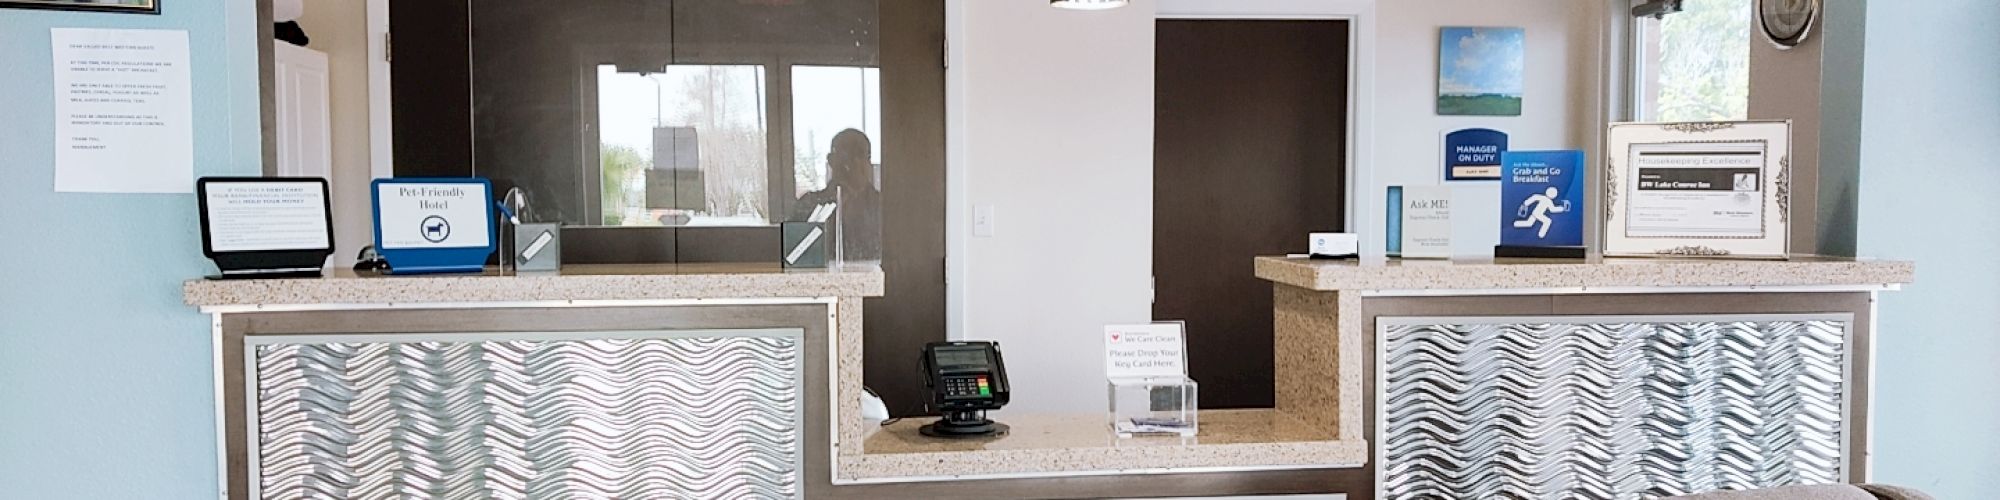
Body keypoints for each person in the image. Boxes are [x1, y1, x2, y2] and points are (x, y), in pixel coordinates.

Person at [791, 129, 881, 262]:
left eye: (861, 155)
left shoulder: (885, 207)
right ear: (832, 160)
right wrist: (832, 212)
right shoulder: (809, 206)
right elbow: (795, 257)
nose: (854, 164)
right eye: (847, 156)